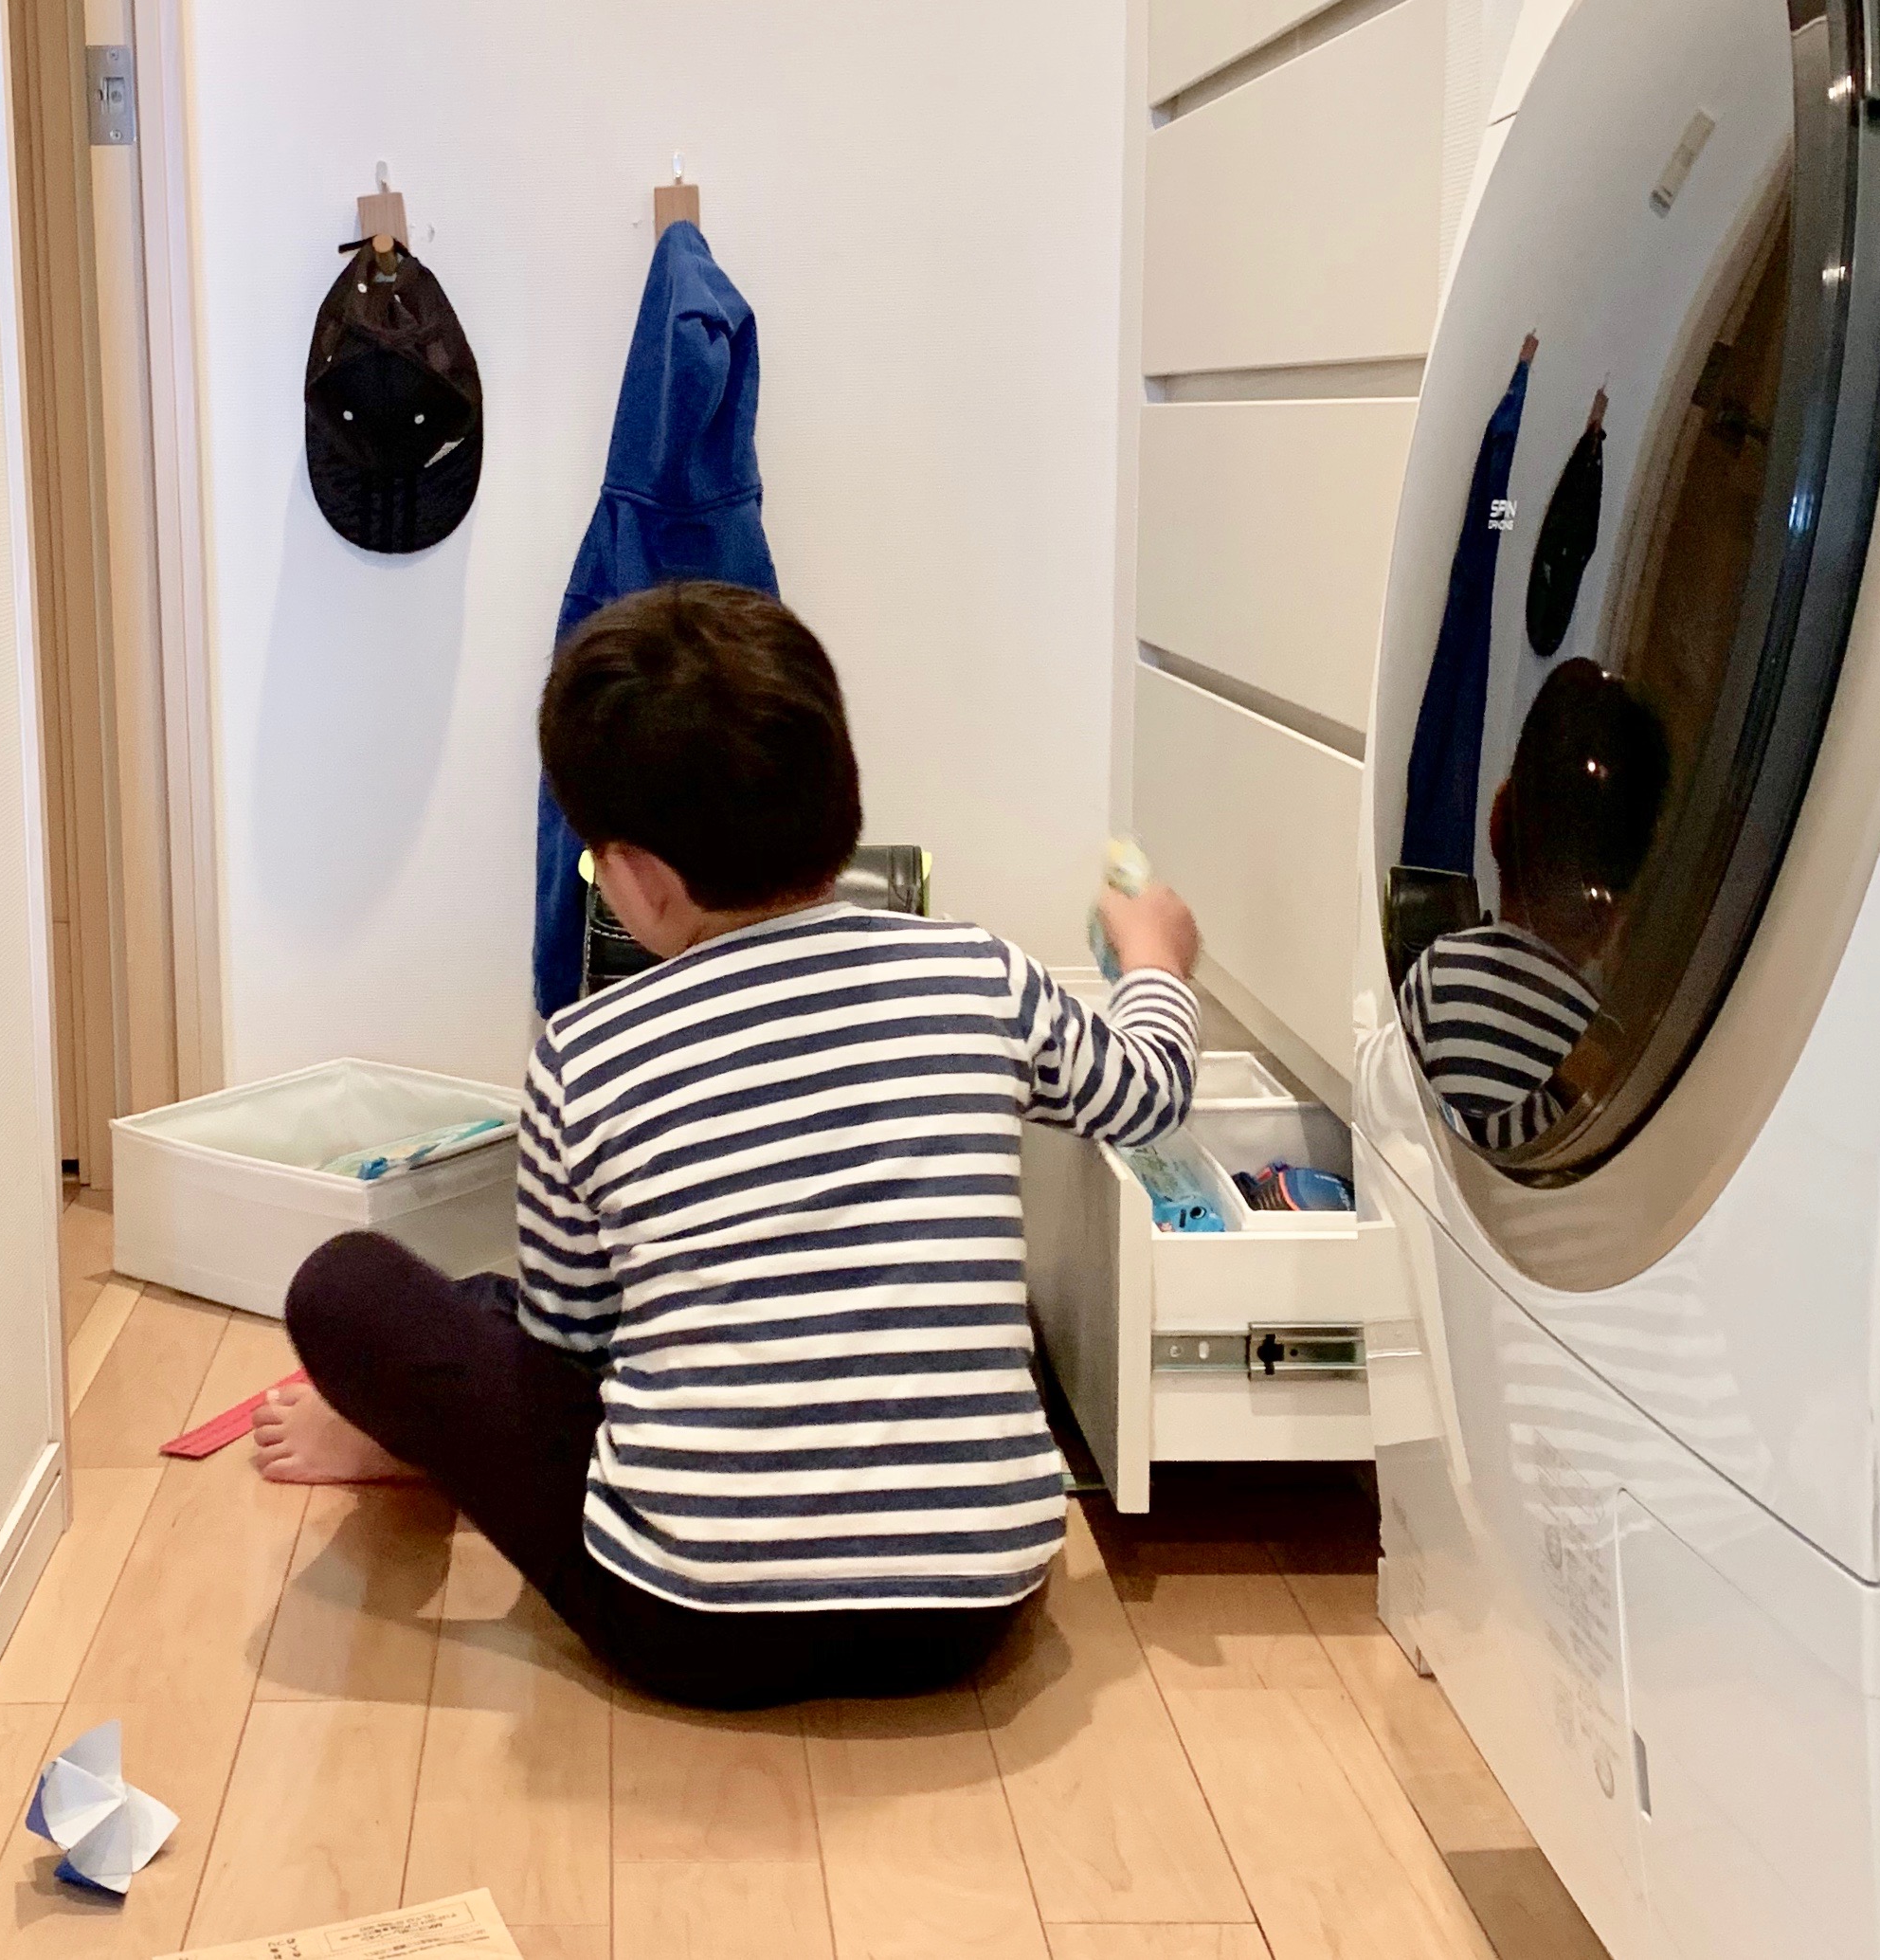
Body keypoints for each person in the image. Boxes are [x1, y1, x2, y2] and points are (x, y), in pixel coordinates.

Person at [253, 580, 1202, 1710]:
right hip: (970, 1609)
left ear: (640, 879)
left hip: (687, 1625)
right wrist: (1154, 958)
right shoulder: (977, 974)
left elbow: (568, 1363)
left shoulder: (586, 1054)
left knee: (352, 1285)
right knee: (525, 1303)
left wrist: (454, 1412)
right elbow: (1150, 1090)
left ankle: (407, 1438)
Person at [1398, 657, 1669, 1152]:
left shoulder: (1438, 974)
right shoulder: (1605, 1052)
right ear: (1619, 908)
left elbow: (1396, 1121)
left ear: (1497, 823)